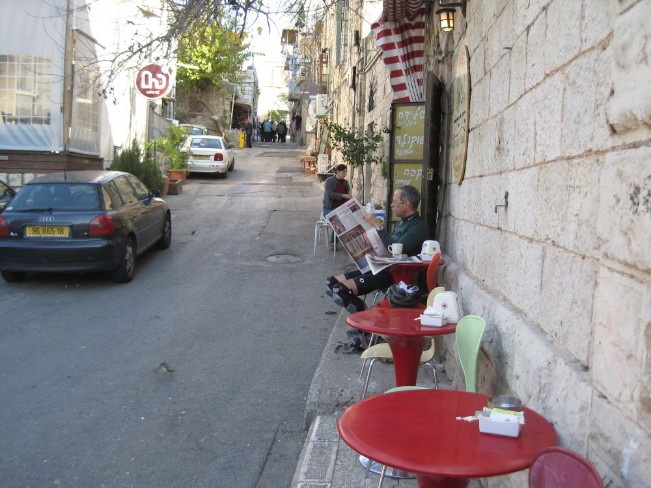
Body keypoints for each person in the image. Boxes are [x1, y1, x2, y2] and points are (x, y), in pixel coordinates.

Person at [324, 185, 428, 314]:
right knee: (331, 283)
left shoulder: (418, 227)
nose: (391, 205)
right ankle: (365, 324)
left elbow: (397, 250)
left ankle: (365, 327)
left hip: (394, 273)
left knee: (341, 291)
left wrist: (378, 226)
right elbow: (388, 244)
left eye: (395, 202)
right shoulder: (402, 222)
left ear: (406, 204)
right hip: (381, 266)